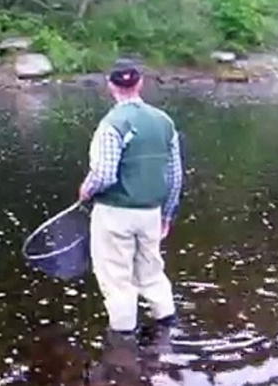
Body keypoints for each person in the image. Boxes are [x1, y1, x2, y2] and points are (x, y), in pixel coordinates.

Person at [78, 60, 183, 336]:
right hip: (151, 213)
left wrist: (85, 190)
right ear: (140, 83)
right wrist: (167, 215)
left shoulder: (111, 124)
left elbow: (103, 175)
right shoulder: (165, 122)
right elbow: (175, 176)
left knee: (117, 280)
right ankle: (168, 327)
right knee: (151, 272)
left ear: (111, 86)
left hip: (114, 214)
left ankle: (123, 346)